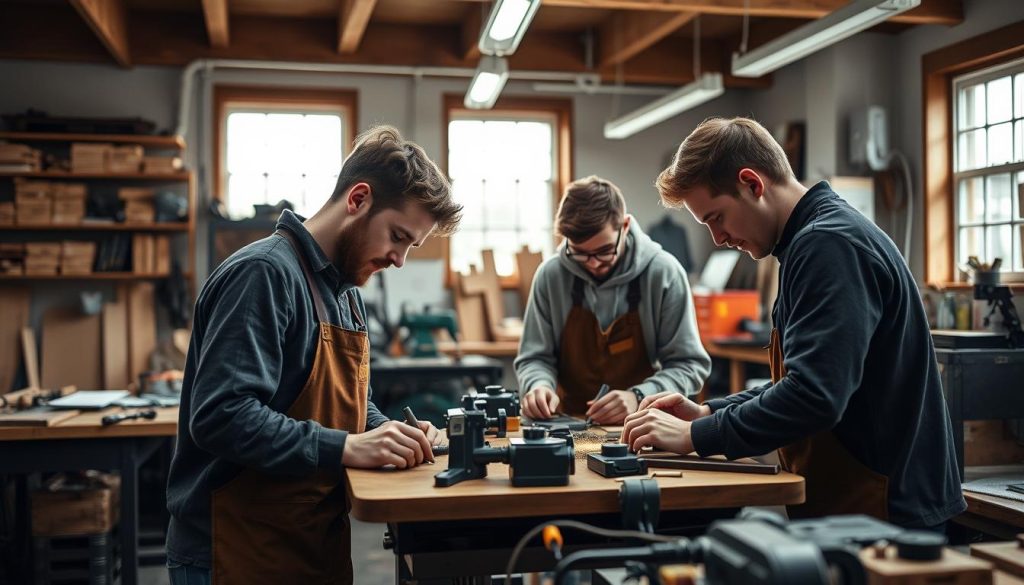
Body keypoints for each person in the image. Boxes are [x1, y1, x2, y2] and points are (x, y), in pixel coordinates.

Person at [623, 117, 965, 529]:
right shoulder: (810, 242)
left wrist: (697, 438)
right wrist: (706, 413)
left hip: (891, 510)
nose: (718, 239)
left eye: (716, 218)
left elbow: (815, 396)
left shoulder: (827, 246)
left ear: (752, 184)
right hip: (866, 502)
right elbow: (805, 377)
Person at [165, 125, 462, 584]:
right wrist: (346, 446)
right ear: (358, 199)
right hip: (233, 550)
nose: (399, 259)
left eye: (410, 246)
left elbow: (349, 402)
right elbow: (221, 415)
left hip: (309, 541)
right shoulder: (264, 274)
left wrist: (388, 430)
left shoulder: (344, 289)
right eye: (398, 237)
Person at [515, 175, 710, 425]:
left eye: (604, 251)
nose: (593, 263)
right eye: (580, 254)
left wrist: (639, 396)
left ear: (625, 226)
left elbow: (689, 364)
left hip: (644, 423)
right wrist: (538, 385)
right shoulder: (550, 275)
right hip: (566, 423)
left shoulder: (664, 273)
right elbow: (535, 357)